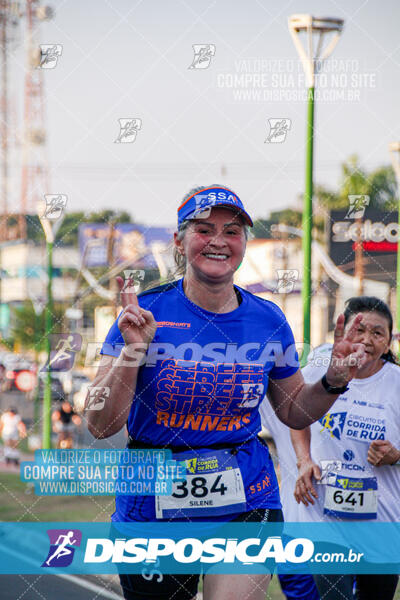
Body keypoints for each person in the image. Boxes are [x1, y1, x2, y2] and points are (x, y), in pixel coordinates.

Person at [86, 184, 369, 600]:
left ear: (243, 245)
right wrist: (133, 353)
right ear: (180, 242)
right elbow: (99, 422)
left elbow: (292, 411)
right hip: (153, 501)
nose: (218, 241)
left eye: (232, 231)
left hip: (246, 494)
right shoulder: (144, 314)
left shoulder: (268, 318)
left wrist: (334, 380)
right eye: (204, 229)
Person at [291, 297, 400, 600]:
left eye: (377, 333)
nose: (366, 340)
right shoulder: (321, 372)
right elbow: (297, 416)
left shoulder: (397, 384)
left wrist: (396, 456)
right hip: (325, 519)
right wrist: (304, 460)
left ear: (388, 342)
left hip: (383, 523)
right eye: (359, 330)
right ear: (343, 332)